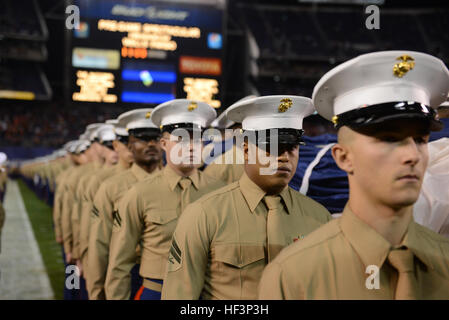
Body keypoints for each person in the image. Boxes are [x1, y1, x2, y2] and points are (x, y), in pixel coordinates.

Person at [258, 51, 449, 299]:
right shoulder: (293, 276)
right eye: (389, 139)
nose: (412, 155)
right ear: (343, 158)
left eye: (420, 140)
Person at [161, 95, 332, 300]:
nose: (284, 156)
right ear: (245, 148)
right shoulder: (204, 215)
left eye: (292, 147)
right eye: (272, 146)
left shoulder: (319, 219)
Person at [105, 99, 225, 300]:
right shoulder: (139, 193)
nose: (190, 147)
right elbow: (120, 262)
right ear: (163, 144)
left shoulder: (220, 192)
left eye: (196, 139)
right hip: (157, 292)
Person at [86, 109, 163, 300]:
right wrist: (96, 293)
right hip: (128, 274)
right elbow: (100, 244)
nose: (150, 144)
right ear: (130, 144)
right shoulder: (112, 187)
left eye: (155, 138)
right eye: (143, 138)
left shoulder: (178, 184)